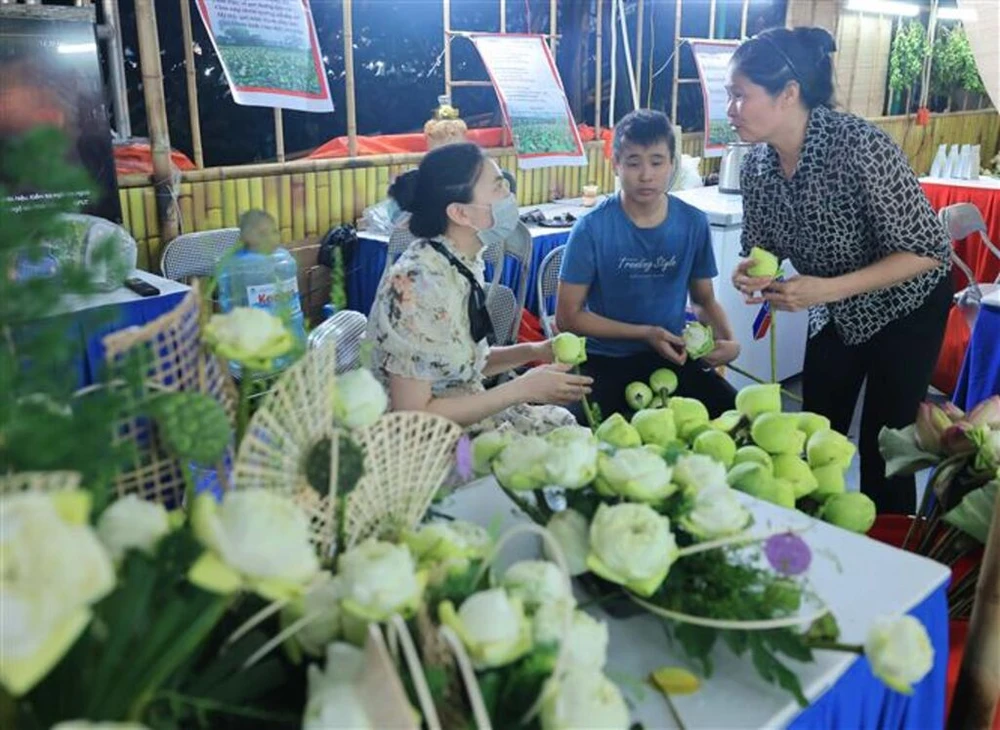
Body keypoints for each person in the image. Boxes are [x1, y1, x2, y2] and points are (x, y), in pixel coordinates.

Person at [728, 27, 952, 514]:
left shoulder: (859, 147)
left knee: (885, 447)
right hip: (834, 310)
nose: (731, 110)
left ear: (788, 94)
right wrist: (752, 273)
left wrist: (825, 289)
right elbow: (762, 246)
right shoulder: (758, 168)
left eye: (741, 96)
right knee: (815, 434)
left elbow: (928, 250)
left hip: (907, 304)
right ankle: (817, 539)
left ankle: (892, 563)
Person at [366, 142, 590, 435]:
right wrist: (522, 389)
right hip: (420, 445)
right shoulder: (417, 285)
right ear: (461, 213)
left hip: (462, 411)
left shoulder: (457, 260)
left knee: (567, 430)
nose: (509, 197)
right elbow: (414, 414)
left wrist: (534, 350)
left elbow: (458, 366)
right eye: (499, 188)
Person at [556, 109, 740, 420]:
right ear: (615, 164)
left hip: (672, 355)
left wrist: (727, 341)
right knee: (584, 435)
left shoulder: (692, 223)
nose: (645, 175)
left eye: (657, 162)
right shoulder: (591, 229)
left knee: (738, 420)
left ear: (672, 164)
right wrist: (645, 333)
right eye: (633, 163)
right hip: (603, 360)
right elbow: (568, 317)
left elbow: (704, 299)